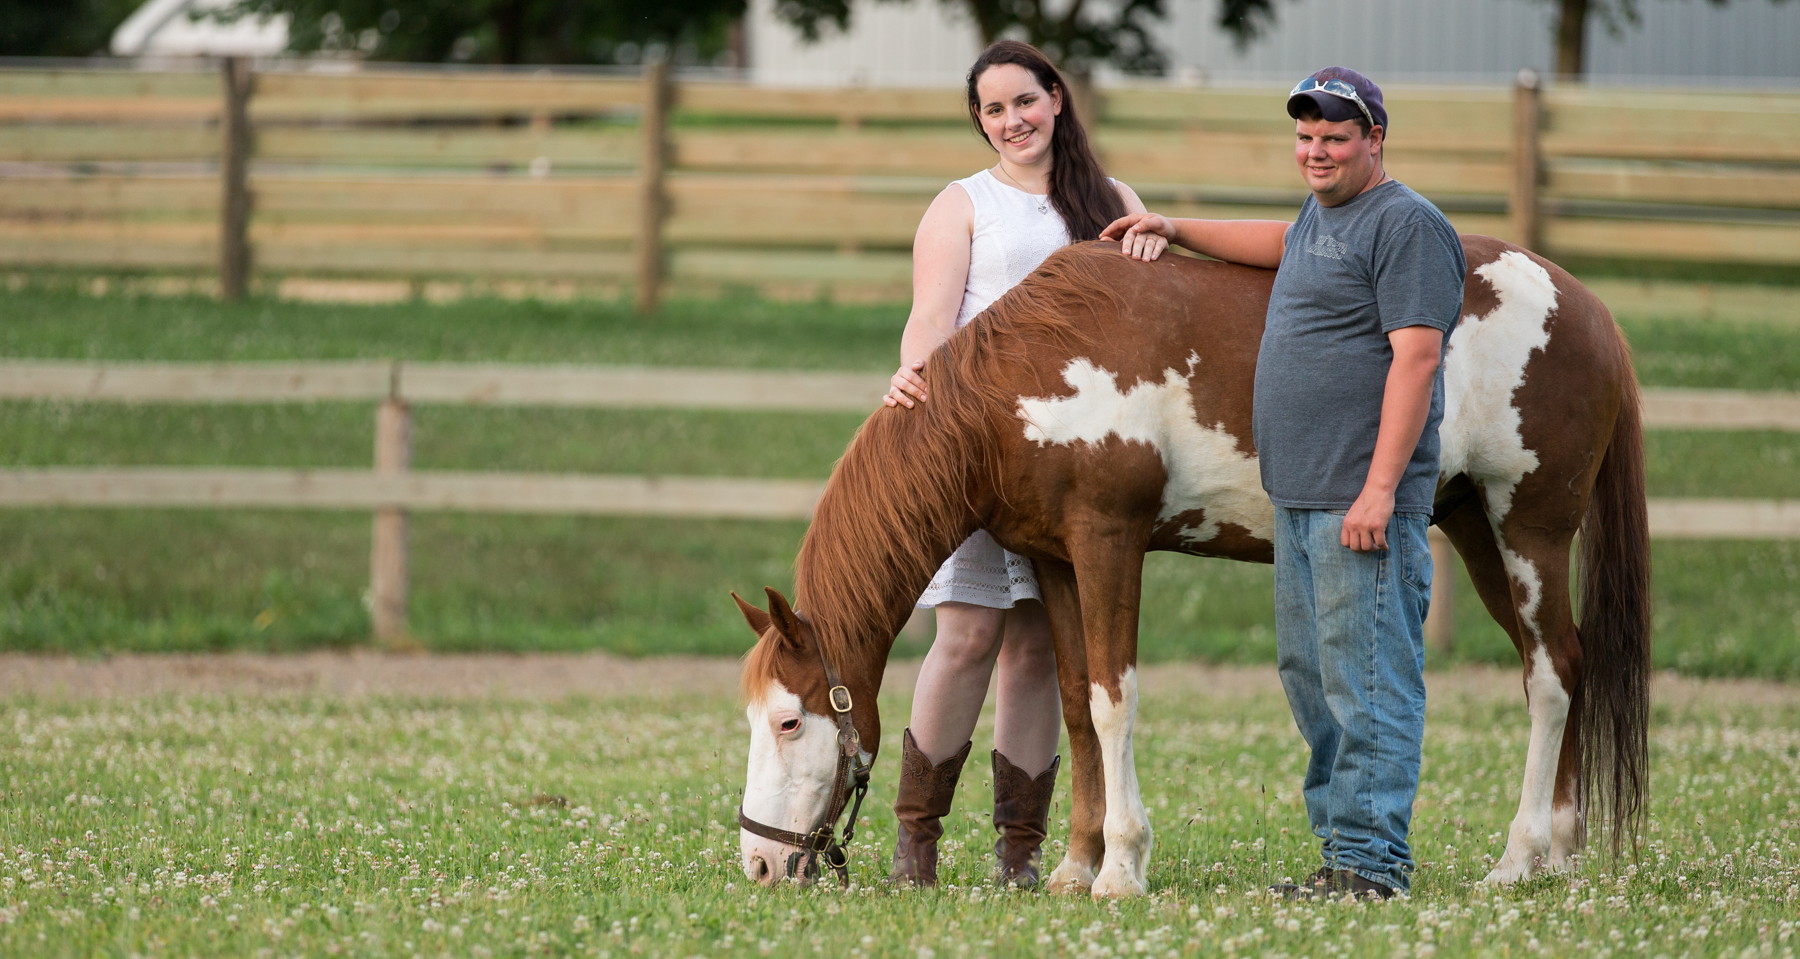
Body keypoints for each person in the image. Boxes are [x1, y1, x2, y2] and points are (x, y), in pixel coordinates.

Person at [1101, 66, 1465, 899]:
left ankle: (1374, 866)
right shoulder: (1322, 216)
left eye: (1336, 137)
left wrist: (1379, 491)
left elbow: (1416, 360)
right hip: (1297, 498)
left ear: (1375, 139)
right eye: (1305, 138)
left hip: (1357, 502)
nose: (1317, 151)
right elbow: (1274, 240)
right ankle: (1343, 851)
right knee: (1314, 681)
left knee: (1368, 681)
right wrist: (1173, 224)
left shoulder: (1407, 225)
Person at [882, 39, 1153, 888]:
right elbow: (932, 314)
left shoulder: (1111, 203)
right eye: (993, 110)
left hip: (1077, 471)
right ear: (979, 121)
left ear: (1057, 100)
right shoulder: (964, 204)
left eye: (1024, 102)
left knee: (1039, 652)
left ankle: (1021, 852)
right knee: (964, 636)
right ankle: (916, 843)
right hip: (977, 454)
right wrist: (913, 372)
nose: (1012, 121)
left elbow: (1147, 328)